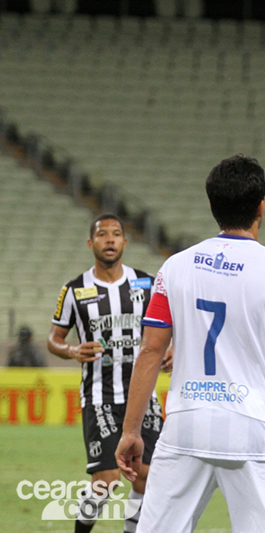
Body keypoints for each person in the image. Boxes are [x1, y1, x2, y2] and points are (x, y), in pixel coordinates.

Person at [115, 155, 265, 533]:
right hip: (252, 424)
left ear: (212, 205)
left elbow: (151, 350)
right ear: (261, 207)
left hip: (186, 421)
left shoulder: (174, 267)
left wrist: (131, 431)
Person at [47, 213, 165, 533]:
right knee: (107, 480)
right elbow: (53, 339)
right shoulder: (74, 290)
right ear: (91, 243)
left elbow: (167, 328)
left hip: (143, 395)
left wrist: (170, 349)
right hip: (100, 395)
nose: (109, 239)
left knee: (147, 475)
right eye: (102, 234)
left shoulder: (147, 284)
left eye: (115, 233)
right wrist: (72, 350)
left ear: (124, 242)